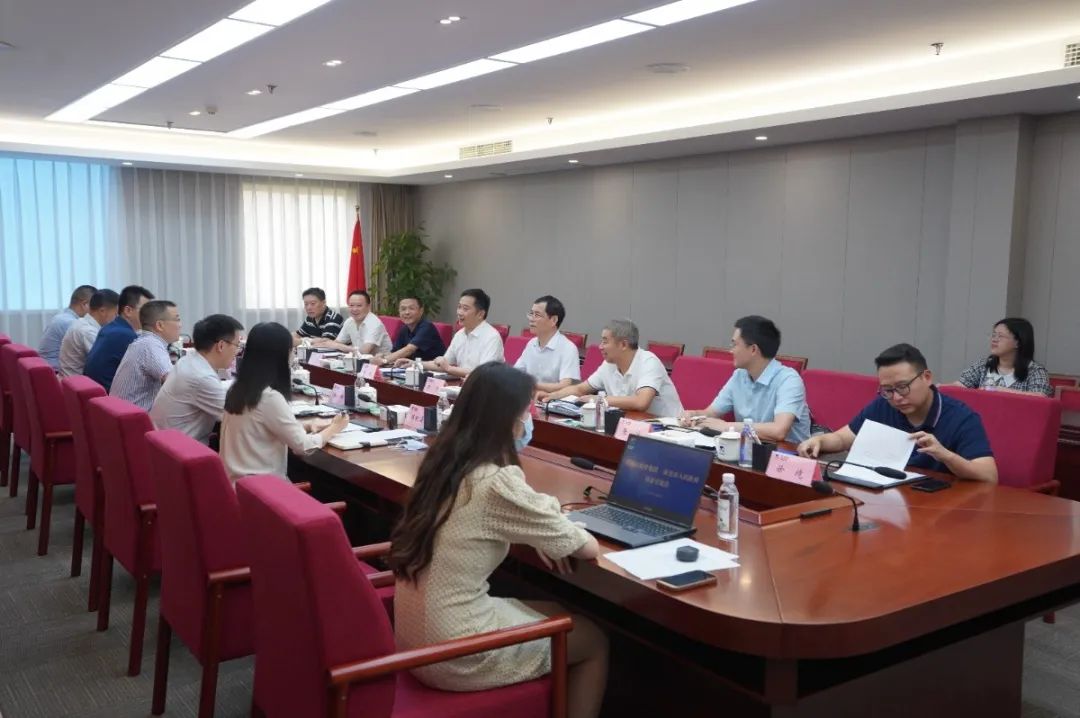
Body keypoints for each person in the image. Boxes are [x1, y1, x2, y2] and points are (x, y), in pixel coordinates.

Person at [390, 362, 607, 718]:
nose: (528, 422)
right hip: (453, 654)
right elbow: (587, 547)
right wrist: (550, 531)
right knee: (594, 640)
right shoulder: (496, 481)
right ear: (508, 422)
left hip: (414, 637)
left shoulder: (443, 463)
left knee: (556, 611)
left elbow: (522, 512)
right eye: (526, 413)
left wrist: (542, 531)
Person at [798, 343, 998, 483]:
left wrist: (946, 456)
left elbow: (989, 476)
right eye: (887, 390)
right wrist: (819, 441)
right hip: (888, 497)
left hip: (937, 506)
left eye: (903, 387)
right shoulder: (884, 405)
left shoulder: (961, 417)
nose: (896, 398)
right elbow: (843, 438)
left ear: (927, 377)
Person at [221, 322, 348, 480]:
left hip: (238, 484)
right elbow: (303, 446)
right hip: (263, 489)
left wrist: (307, 426)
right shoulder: (269, 397)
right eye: (291, 350)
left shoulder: (238, 388)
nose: (293, 355)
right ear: (280, 355)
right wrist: (335, 427)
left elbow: (260, 427)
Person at [679, 315, 810, 443]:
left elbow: (779, 431)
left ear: (753, 349)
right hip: (750, 449)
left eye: (735, 344)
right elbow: (712, 412)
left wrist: (727, 427)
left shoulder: (788, 380)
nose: (731, 351)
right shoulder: (739, 375)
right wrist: (694, 415)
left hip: (787, 453)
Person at [539, 319, 683, 417]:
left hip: (670, 429)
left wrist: (600, 400)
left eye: (605, 341)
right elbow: (580, 389)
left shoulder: (649, 362)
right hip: (631, 424)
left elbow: (641, 403)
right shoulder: (609, 364)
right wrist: (552, 396)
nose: (600, 347)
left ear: (623, 344)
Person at [150, 314, 244, 444]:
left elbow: (213, 388)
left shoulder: (189, 360)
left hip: (163, 444)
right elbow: (238, 418)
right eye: (237, 345)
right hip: (182, 451)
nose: (237, 351)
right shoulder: (201, 377)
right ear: (221, 346)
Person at [401, 288, 503, 378]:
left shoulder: (492, 337)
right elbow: (443, 364)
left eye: (465, 309)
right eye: (459, 307)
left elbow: (483, 374)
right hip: (464, 385)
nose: (459, 312)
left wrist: (449, 369)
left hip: (485, 390)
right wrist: (415, 363)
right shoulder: (460, 334)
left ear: (480, 314)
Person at [109, 300, 181, 410]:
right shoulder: (150, 345)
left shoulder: (144, 340)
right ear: (159, 325)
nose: (180, 325)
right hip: (134, 417)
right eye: (177, 319)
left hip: (121, 412)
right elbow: (175, 383)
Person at [955, 318, 1052, 397]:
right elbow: (959, 386)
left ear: (1018, 343)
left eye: (1000, 336)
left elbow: (1040, 397)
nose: (994, 340)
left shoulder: (1035, 371)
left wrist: (1000, 390)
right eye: (993, 335)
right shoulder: (983, 365)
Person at [84, 285, 155, 391]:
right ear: (128, 311)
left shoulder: (110, 327)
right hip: (112, 396)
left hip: (98, 394)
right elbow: (150, 371)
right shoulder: (125, 335)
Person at [514, 295, 581, 392]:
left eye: (537, 315)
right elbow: (516, 374)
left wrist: (531, 385)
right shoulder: (531, 344)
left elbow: (565, 386)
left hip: (552, 399)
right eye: (531, 314)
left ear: (553, 320)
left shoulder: (568, 348)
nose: (531, 319)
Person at [59, 289, 118, 377]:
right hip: (78, 382)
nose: (116, 318)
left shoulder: (82, 322)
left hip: (72, 380)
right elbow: (104, 363)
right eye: (116, 314)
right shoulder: (88, 331)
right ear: (102, 311)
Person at [312, 289, 391, 354]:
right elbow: (337, 342)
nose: (354, 309)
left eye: (359, 306)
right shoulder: (350, 321)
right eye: (351, 305)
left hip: (383, 363)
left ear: (368, 306)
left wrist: (339, 346)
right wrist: (323, 343)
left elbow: (364, 351)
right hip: (359, 360)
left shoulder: (374, 323)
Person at [372, 295, 446, 365]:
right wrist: (382, 355)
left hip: (434, 369)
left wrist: (384, 360)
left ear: (421, 311)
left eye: (411, 308)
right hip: (412, 368)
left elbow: (409, 350)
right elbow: (395, 352)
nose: (407, 312)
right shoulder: (404, 329)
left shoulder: (427, 327)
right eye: (403, 309)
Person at [38, 284, 97, 369]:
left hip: (49, 367)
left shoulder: (62, 317)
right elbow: (92, 353)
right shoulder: (71, 323)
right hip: (55, 370)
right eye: (95, 307)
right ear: (85, 304)